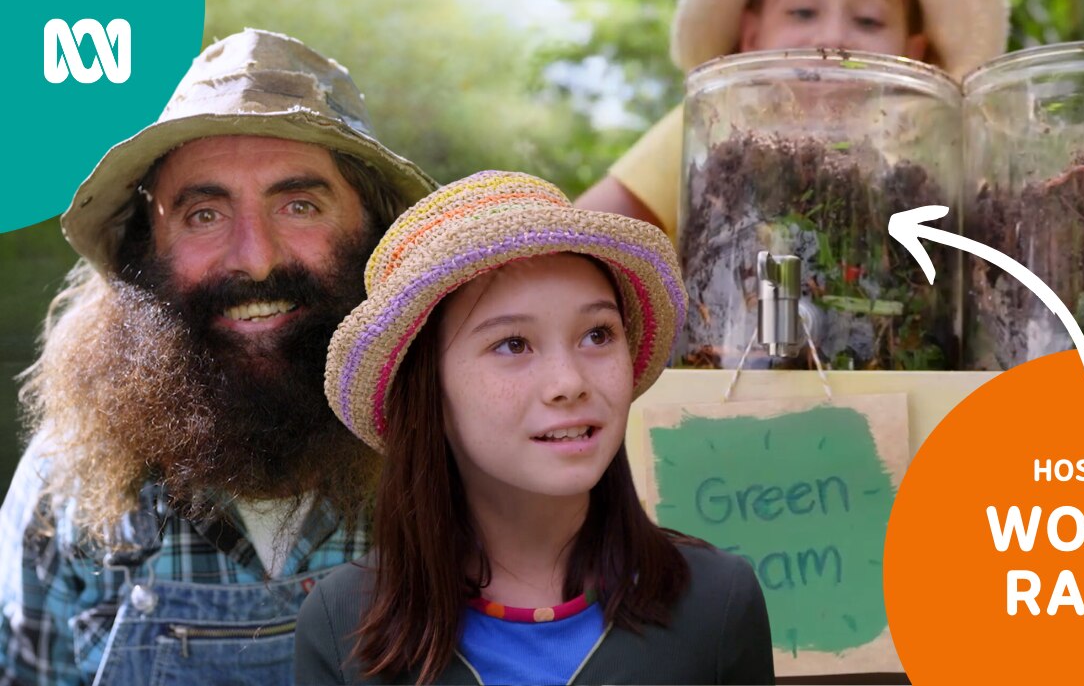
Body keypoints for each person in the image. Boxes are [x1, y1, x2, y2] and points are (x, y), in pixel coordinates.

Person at [0, 28, 437, 685]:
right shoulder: (66, 484)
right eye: (203, 214)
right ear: (147, 254)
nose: (255, 258)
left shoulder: (457, 455)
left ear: (376, 232)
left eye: (300, 205)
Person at [296, 171, 775, 685]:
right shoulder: (345, 622)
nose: (569, 383)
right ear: (428, 391)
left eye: (597, 333)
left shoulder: (716, 603)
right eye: (513, 344)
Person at [575, 0, 1011, 239]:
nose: (832, 37)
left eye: (868, 19)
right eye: (802, 11)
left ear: (913, 53)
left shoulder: (927, 167)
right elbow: (582, 234)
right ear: (751, 38)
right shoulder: (716, 127)